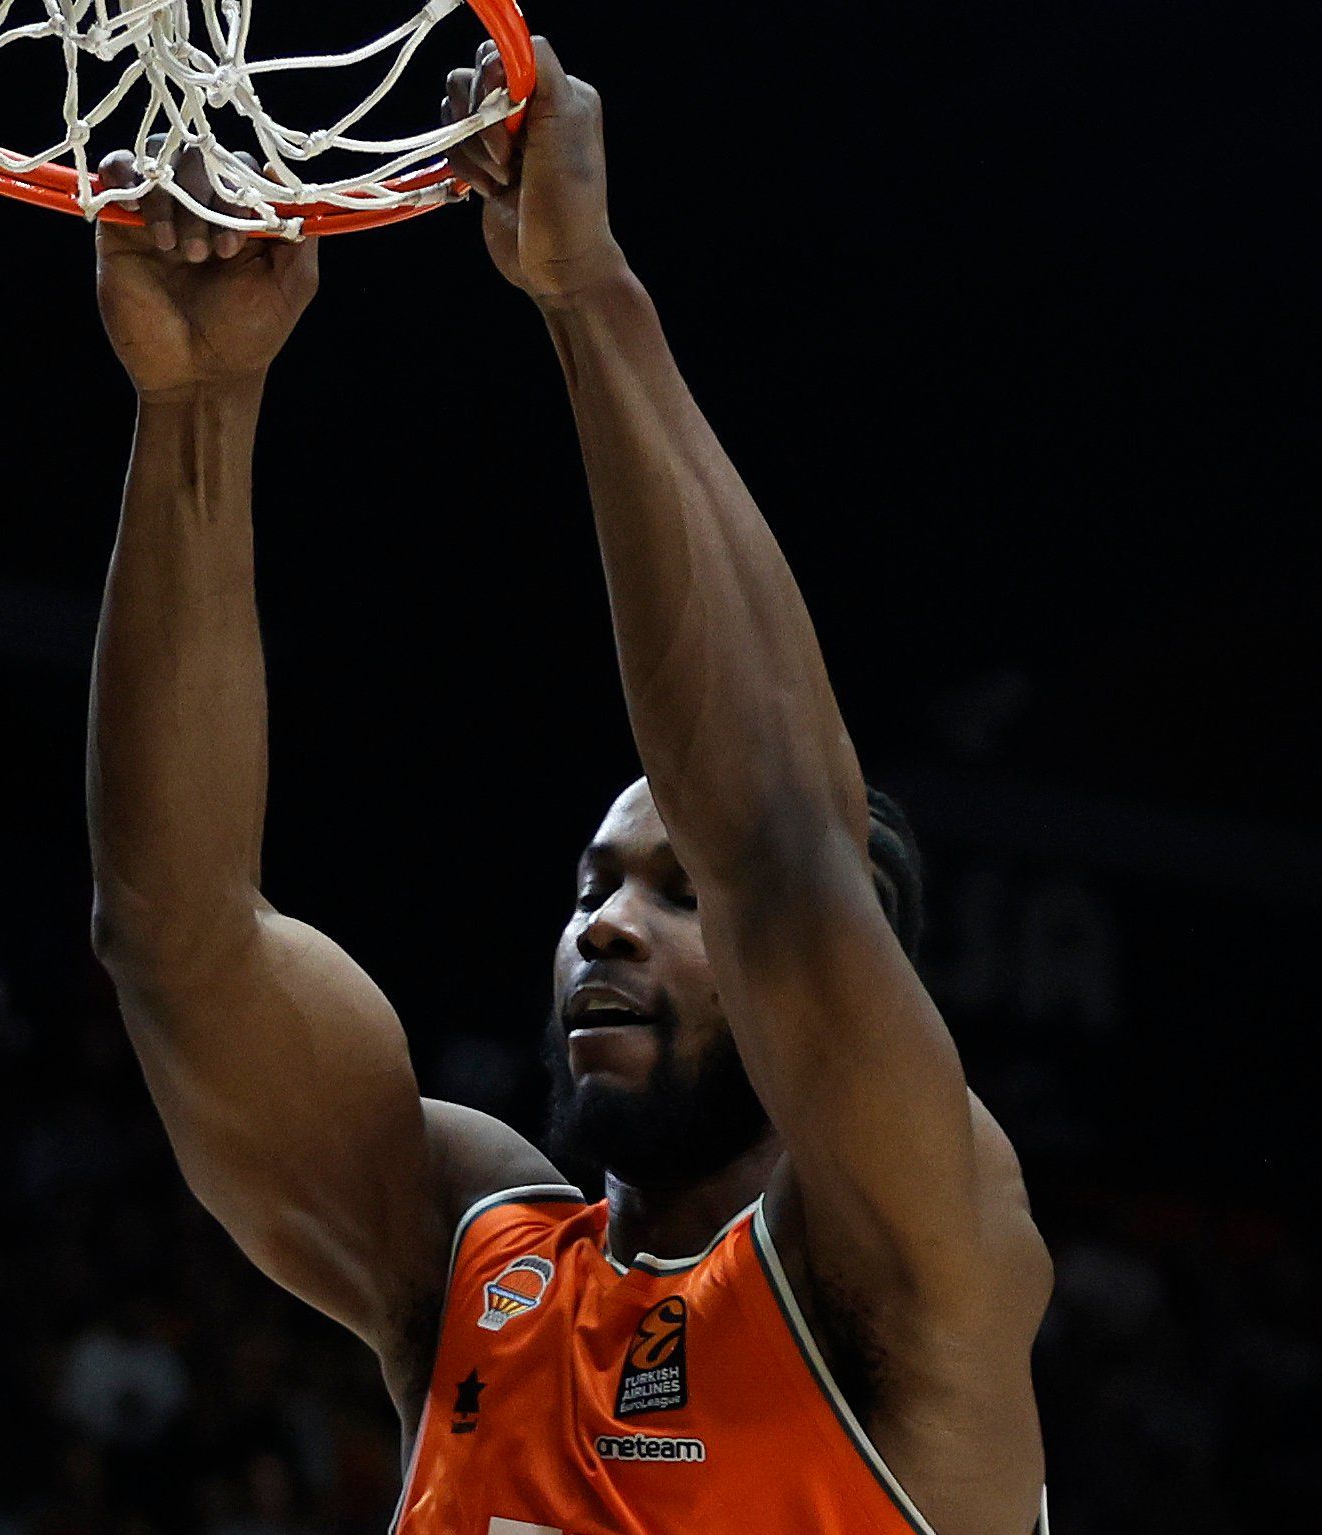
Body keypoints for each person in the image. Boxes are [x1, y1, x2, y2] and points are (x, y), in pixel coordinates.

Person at [82, 36, 1051, 1535]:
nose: (603, 927)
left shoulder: (912, 1265)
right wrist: (194, 408)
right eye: (593, 885)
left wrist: (584, 293)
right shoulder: (463, 1256)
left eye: (673, 896)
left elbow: (779, 845)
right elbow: (177, 936)